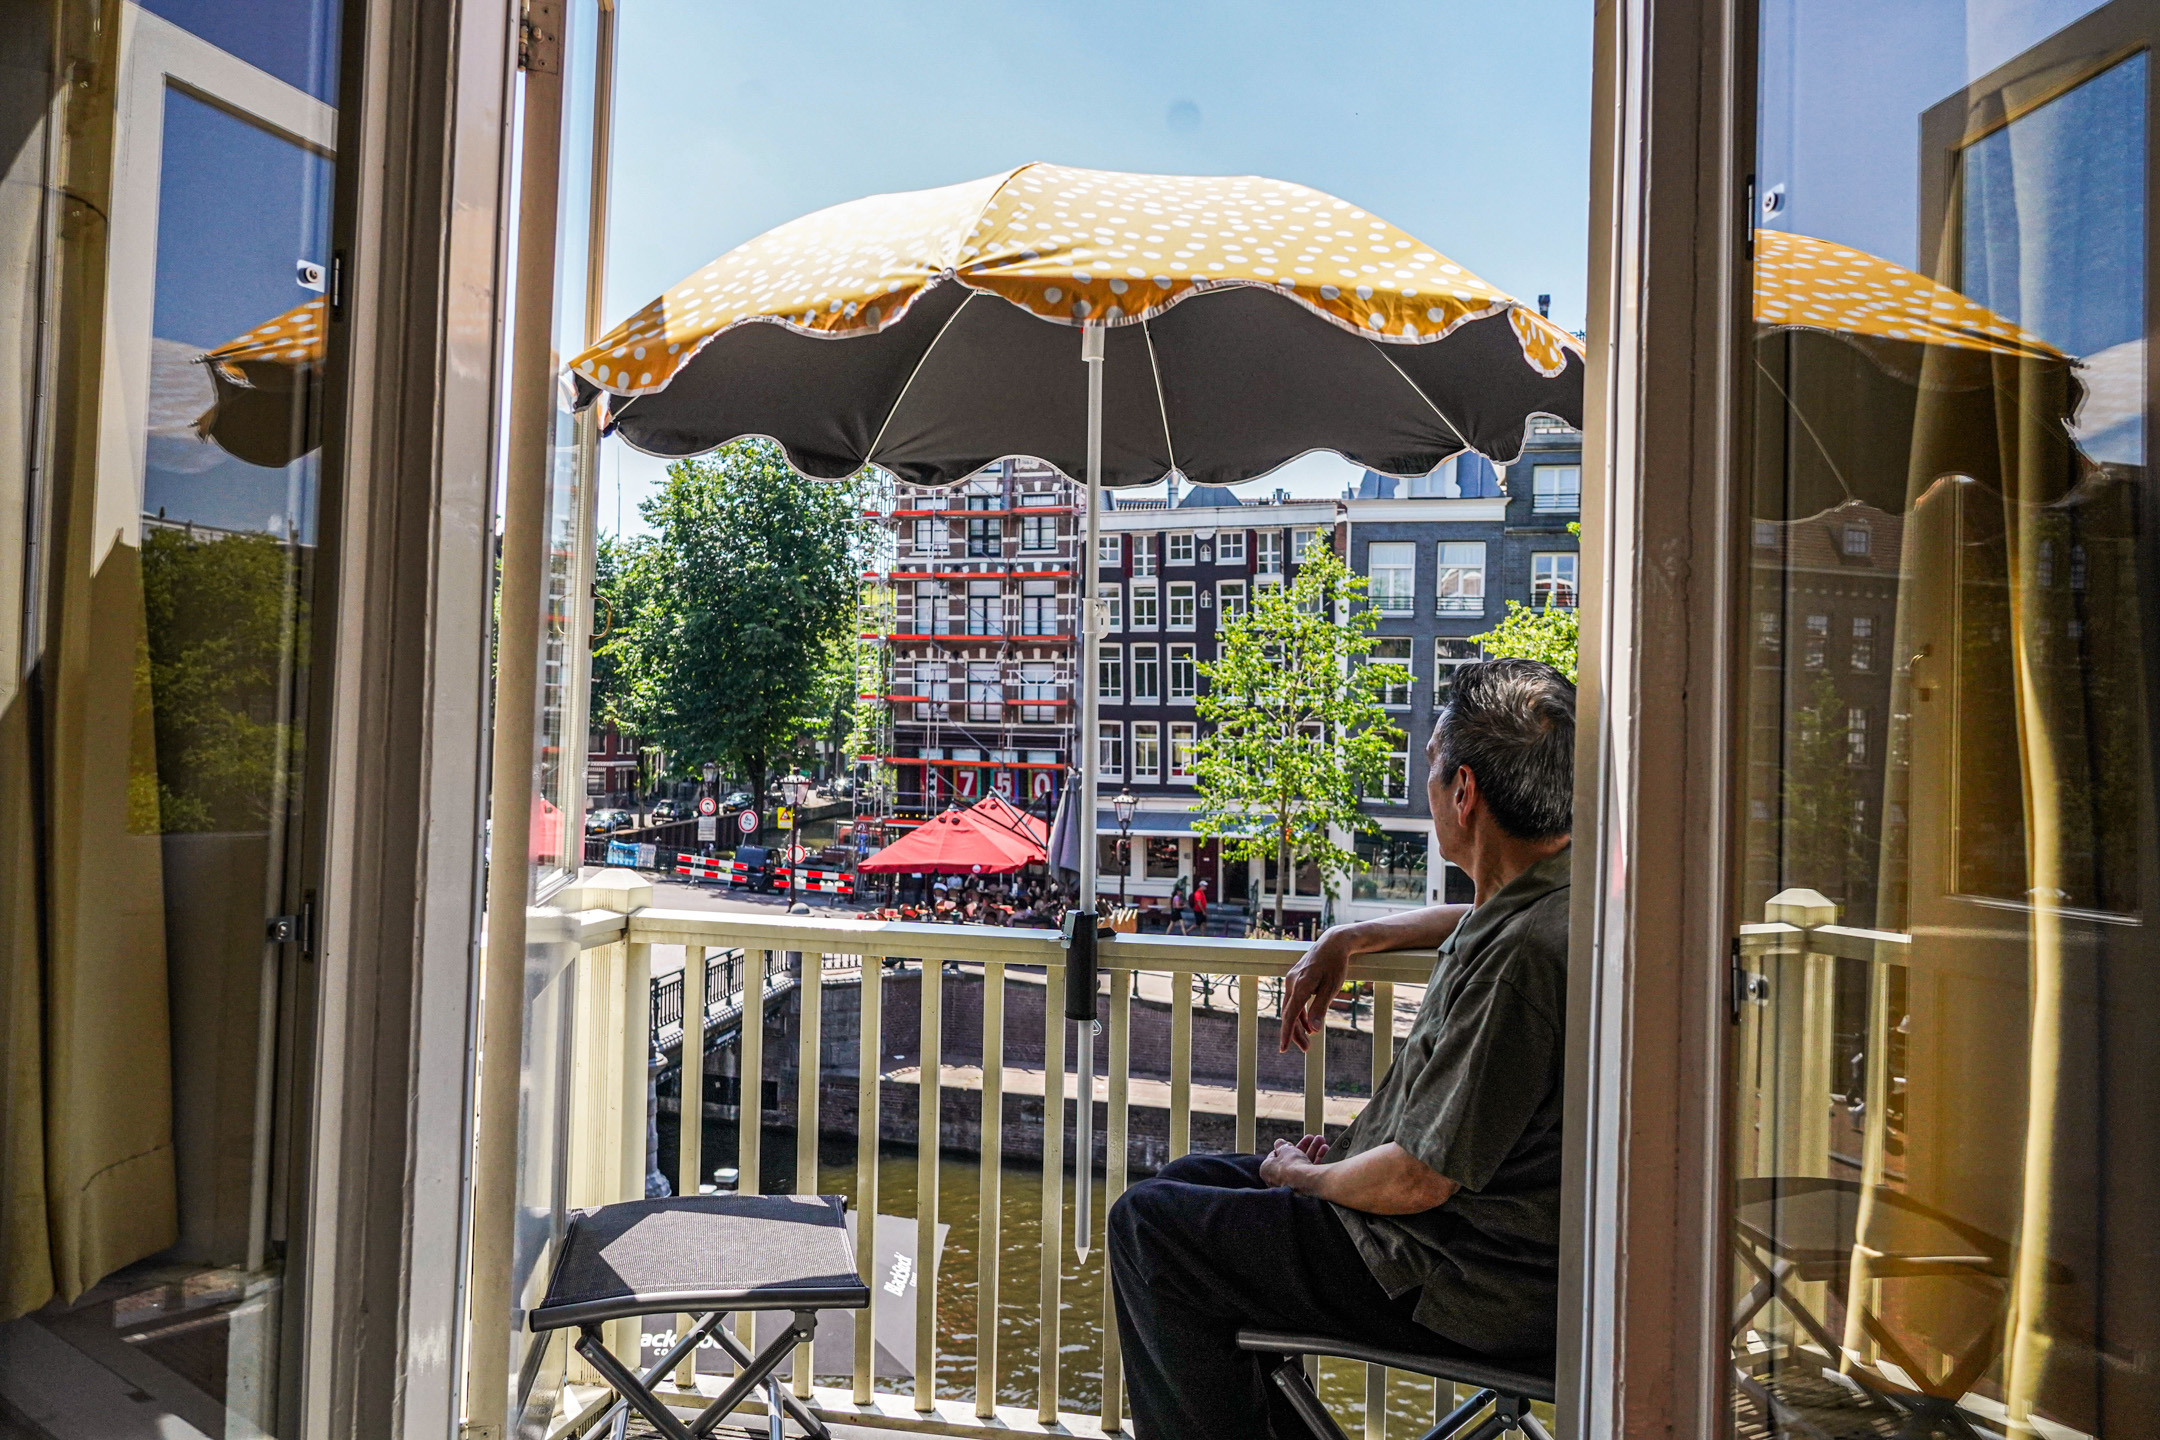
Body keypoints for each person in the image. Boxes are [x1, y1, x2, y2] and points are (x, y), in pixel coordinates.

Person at [1108, 659, 1575, 1440]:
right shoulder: (1559, 898)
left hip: (1452, 1273)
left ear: (1464, 793)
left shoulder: (1524, 957)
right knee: (1190, 1184)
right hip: (1490, 1254)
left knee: (1152, 1230)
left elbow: (1419, 1179)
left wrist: (1309, 1176)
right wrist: (1351, 934)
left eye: (1428, 767)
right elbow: (1469, 920)